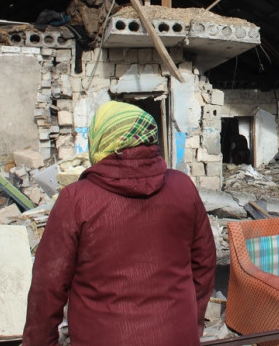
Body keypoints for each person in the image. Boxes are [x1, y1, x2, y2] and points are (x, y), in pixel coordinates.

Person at [23, 101, 216, 346]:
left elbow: (48, 286)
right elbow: (205, 265)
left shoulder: (77, 199)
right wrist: (189, 322)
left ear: (102, 140)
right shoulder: (183, 187)